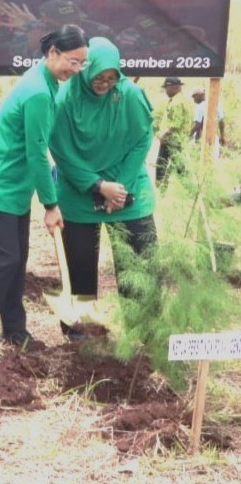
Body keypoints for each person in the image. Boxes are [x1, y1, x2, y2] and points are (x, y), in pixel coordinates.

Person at [0, 24, 89, 365]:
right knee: (3, 262)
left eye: (81, 64)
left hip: (14, 189)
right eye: (72, 62)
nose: (75, 70)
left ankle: (15, 330)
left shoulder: (47, 82)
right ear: (52, 54)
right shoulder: (38, 93)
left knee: (17, 261)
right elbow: (36, 153)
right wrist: (51, 204)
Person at [49, 36, 157, 340]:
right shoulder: (65, 100)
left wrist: (118, 188)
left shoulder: (131, 95)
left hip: (128, 190)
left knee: (139, 262)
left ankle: (144, 333)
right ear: (85, 69)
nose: (104, 82)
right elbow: (61, 151)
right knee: (80, 266)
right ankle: (85, 334)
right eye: (99, 76)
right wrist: (97, 185)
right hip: (81, 192)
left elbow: (141, 141)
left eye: (112, 78)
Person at [153, 77, 194, 189]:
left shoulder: (176, 102)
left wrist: (163, 136)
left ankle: (159, 187)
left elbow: (175, 124)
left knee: (162, 163)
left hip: (171, 140)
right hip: (180, 139)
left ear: (172, 87)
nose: (165, 91)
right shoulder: (186, 100)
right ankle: (189, 188)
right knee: (178, 164)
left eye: (166, 88)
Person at [191, 86, 226, 155]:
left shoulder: (199, 106)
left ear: (201, 95)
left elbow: (198, 125)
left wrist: (189, 135)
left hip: (201, 137)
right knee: (213, 159)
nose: (194, 99)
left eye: (195, 96)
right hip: (213, 136)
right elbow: (221, 122)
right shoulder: (216, 104)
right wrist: (222, 135)